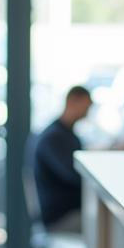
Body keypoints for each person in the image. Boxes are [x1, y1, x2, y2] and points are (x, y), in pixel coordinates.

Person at [32, 85, 92, 232]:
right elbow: (75, 176)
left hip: (69, 210)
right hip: (60, 217)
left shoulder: (65, 134)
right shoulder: (53, 138)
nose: (87, 112)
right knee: (109, 226)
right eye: (86, 106)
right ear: (73, 101)